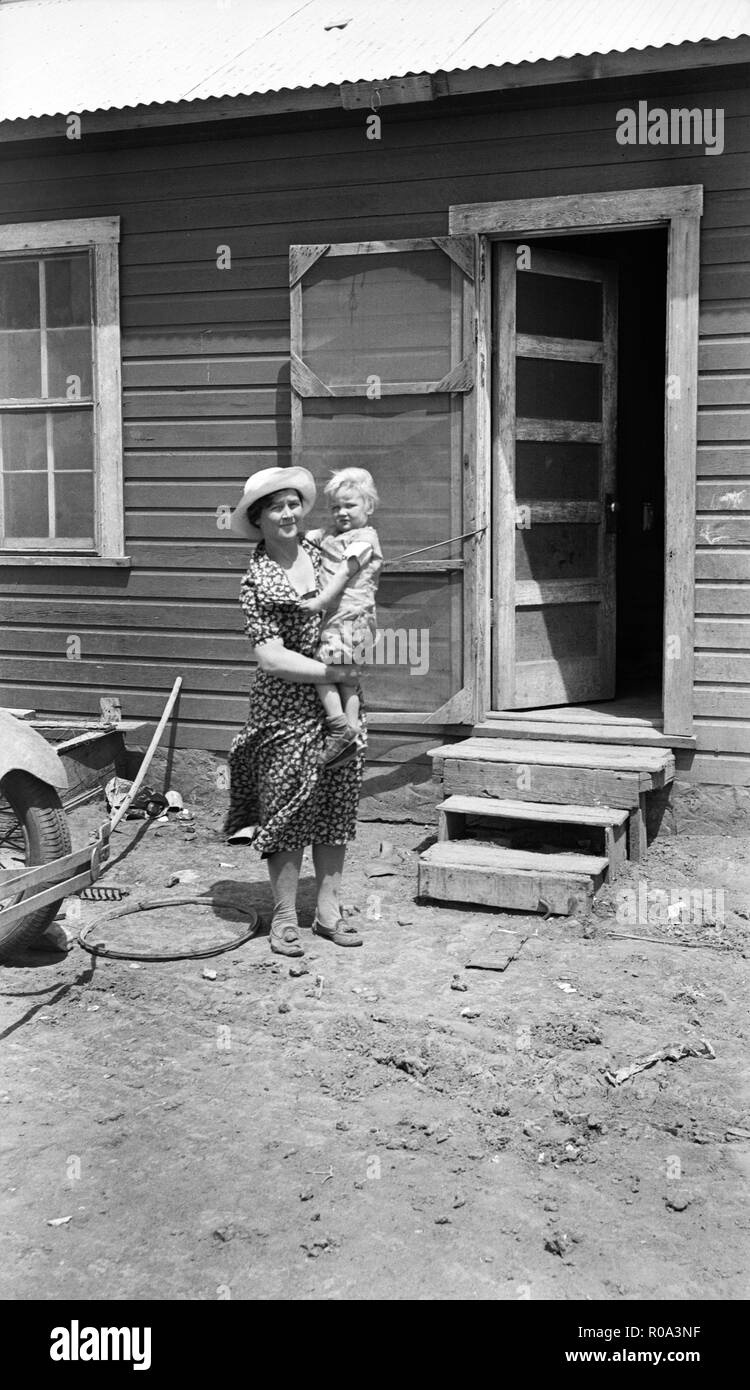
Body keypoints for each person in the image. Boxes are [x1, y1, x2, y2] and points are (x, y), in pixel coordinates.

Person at [223, 465, 365, 955]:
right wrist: (333, 676)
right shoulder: (256, 579)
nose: (287, 514)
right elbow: (271, 656)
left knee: (334, 803)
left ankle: (328, 913)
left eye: (292, 504)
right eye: (275, 507)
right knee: (285, 809)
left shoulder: (323, 550)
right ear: (258, 519)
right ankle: (284, 914)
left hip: (342, 703)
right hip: (283, 708)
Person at [300, 468, 383, 768]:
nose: (342, 512)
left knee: (320, 670)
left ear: (369, 507)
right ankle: (352, 734)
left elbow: (346, 572)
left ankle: (339, 727)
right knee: (347, 680)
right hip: (341, 619)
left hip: (351, 617)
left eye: (350, 505)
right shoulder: (332, 535)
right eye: (336, 507)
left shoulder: (365, 540)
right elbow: (309, 536)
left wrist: (320, 600)